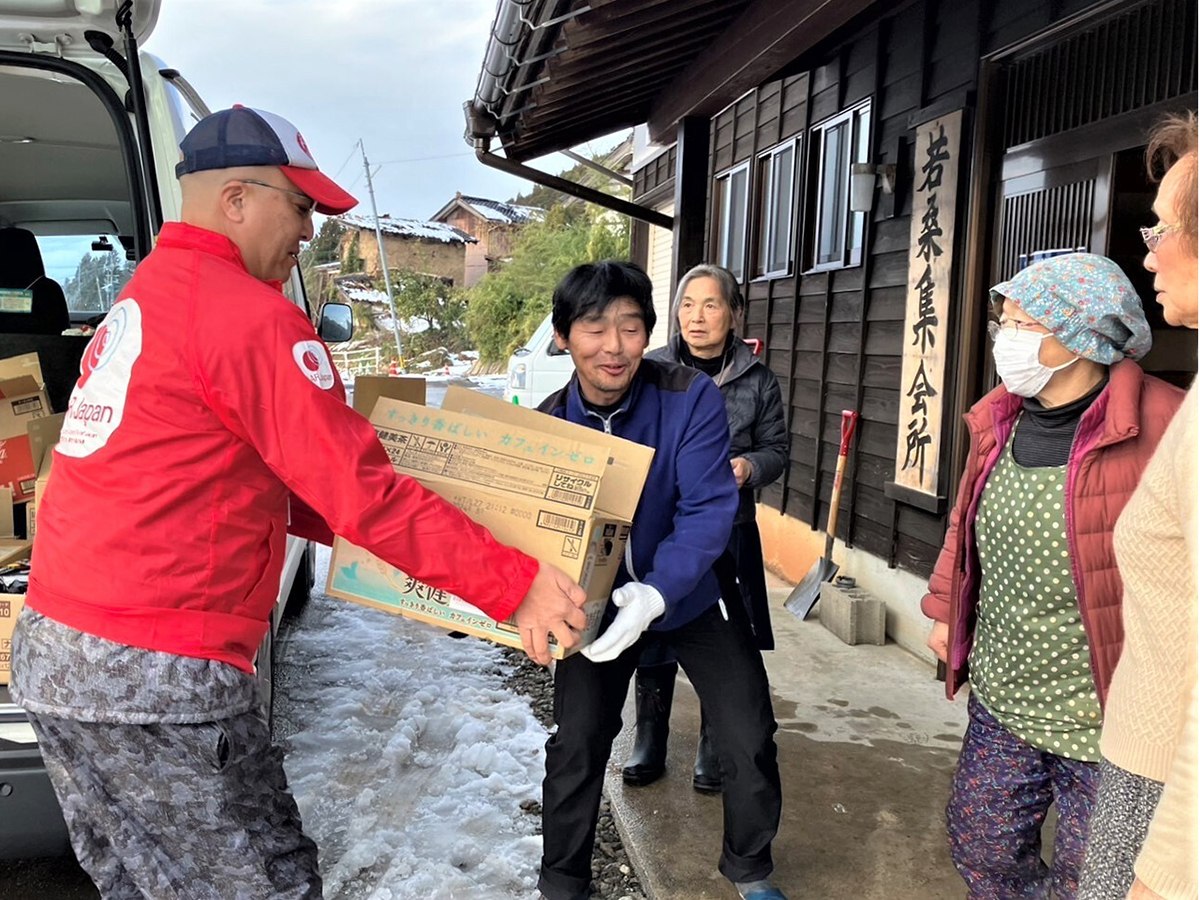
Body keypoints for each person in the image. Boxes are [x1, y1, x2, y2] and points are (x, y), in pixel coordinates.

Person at [9, 105, 587, 900]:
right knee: (266, 883)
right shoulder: (249, 318)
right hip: (157, 676)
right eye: (303, 205)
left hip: (60, 659)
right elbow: (364, 495)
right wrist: (512, 583)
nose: (312, 231)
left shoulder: (144, 299)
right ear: (237, 200)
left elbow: (255, 479)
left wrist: (435, 551)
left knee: (146, 883)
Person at [921, 251, 1184, 899]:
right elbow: (966, 520)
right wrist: (944, 609)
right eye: (1002, 322)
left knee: (1094, 877)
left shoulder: (1168, 424)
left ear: (1081, 336)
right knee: (981, 844)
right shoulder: (1001, 418)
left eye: (1021, 324)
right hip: (1005, 693)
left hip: (1108, 716)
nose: (1002, 339)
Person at [535, 261, 786, 900]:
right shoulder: (548, 424)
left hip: (692, 593)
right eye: (594, 327)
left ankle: (750, 869)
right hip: (592, 610)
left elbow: (707, 507)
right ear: (563, 336)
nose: (614, 346)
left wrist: (656, 592)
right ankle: (562, 881)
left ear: (648, 332)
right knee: (578, 743)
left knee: (747, 728)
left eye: (630, 326)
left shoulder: (687, 395)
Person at [1079, 112, 1199, 900]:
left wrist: (1167, 872)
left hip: (1169, 784)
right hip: (1144, 745)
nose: (1146, 252)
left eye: (1159, 230)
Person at [622, 263, 788, 793]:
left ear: (734, 314)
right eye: (687, 304)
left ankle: (714, 744)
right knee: (653, 629)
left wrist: (750, 468)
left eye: (711, 304)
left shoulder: (758, 380)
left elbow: (777, 450)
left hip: (730, 527)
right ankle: (649, 734)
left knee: (727, 640)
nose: (697, 316)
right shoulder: (651, 370)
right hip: (659, 527)